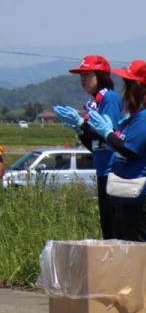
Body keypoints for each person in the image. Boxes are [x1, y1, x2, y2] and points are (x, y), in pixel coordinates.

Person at [83, 60, 146, 243]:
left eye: (128, 84)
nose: (124, 89)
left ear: (137, 87)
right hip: (126, 188)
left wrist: (107, 133)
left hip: (140, 191)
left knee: (134, 246)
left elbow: (130, 151)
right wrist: (84, 130)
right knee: (120, 243)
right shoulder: (135, 117)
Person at [52, 55, 124, 239]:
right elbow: (95, 144)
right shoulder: (94, 103)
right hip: (102, 170)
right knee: (107, 228)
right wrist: (79, 129)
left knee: (115, 230)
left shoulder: (109, 98)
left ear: (101, 75)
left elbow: (108, 134)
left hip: (113, 171)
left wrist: (82, 124)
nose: (83, 79)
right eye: (81, 75)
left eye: (88, 74)